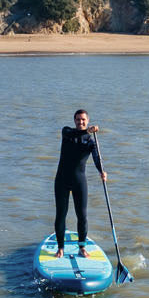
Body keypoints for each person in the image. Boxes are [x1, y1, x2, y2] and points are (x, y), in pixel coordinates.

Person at [54, 109, 106, 258]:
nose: (80, 122)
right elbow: (74, 133)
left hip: (79, 181)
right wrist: (87, 131)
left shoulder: (90, 141)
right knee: (60, 215)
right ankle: (60, 248)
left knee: (82, 216)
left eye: (83, 120)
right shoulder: (67, 132)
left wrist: (101, 171)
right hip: (62, 180)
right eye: (78, 119)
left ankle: (82, 248)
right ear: (74, 121)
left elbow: (96, 158)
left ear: (87, 120)